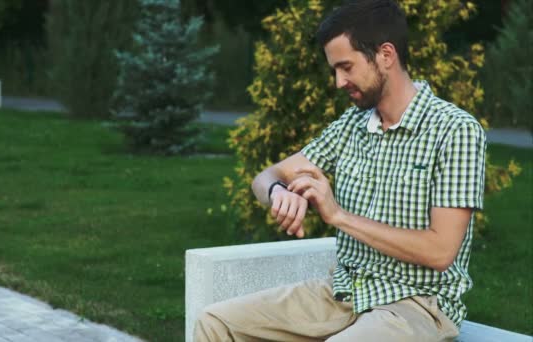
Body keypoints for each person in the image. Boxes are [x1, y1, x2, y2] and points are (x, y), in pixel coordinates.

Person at [194, 0, 487, 341]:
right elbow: (265, 177)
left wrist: (338, 215)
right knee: (215, 322)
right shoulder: (351, 126)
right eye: (335, 69)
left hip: (416, 304)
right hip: (343, 293)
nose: (338, 81)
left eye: (346, 67)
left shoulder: (455, 131)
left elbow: (440, 252)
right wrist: (279, 193)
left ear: (386, 55)